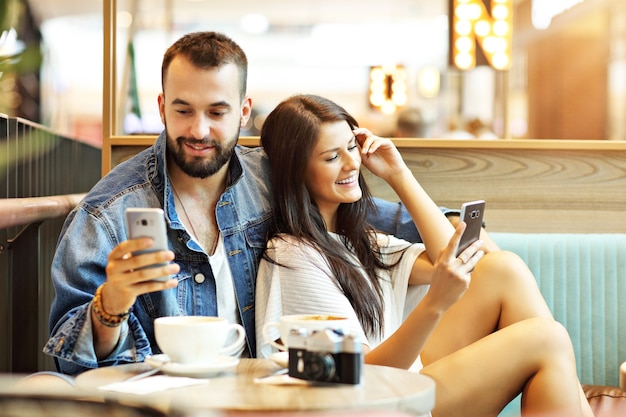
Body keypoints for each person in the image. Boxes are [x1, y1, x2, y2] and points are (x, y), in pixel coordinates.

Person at [41, 31, 466, 377]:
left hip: (274, 397)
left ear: (244, 112)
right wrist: (110, 304)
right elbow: (68, 359)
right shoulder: (107, 212)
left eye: (217, 111)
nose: (199, 129)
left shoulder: (272, 176)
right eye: (183, 110)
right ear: (162, 108)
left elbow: (383, 223)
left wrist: (460, 227)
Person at [255, 94, 594, 417]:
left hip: (396, 382)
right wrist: (436, 304)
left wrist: (399, 175)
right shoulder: (294, 256)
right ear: (296, 171)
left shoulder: (355, 239)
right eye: (332, 157)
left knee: (505, 269)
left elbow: (455, 260)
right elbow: (356, 379)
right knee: (546, 337)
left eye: (351, 147)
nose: (351, 163)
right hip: (372, 402)